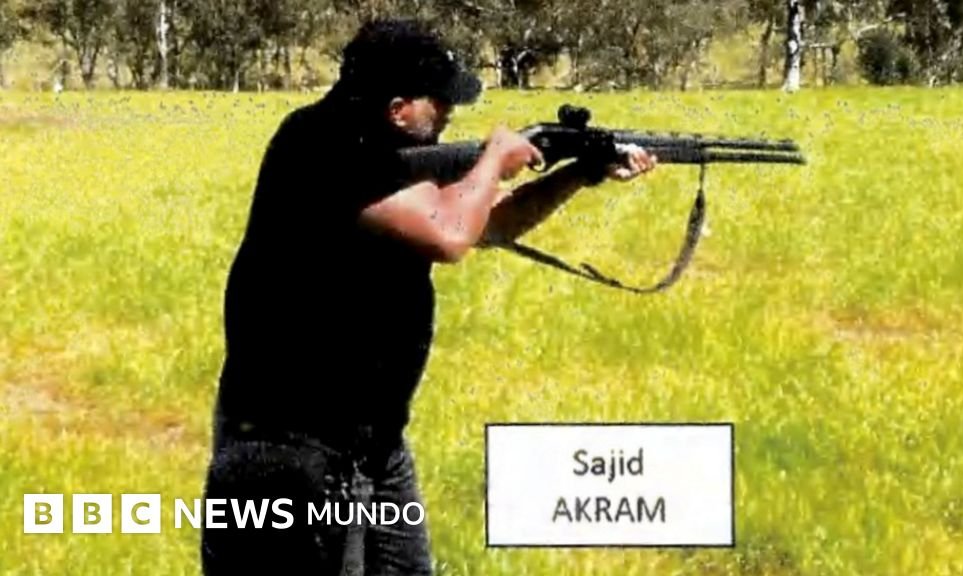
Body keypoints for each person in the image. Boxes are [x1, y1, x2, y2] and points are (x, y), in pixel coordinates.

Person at [199, 18, 657, 576]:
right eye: (437, 103)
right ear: (397, 108)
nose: (448, 115)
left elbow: (487, 222)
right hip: (289, 451)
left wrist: (576, 175)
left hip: (372, 442)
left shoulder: (390, 152)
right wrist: (493, 160)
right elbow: (450, 235)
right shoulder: (322, 148)